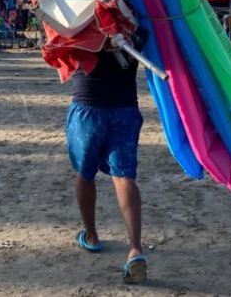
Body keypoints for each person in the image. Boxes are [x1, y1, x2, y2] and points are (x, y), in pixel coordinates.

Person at [67, 35, 148, 284]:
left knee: (85, 173)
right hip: (125, 109)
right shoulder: (134, 17)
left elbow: (59, 51)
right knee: (124, 177)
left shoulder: (75, 16)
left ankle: (91, 236)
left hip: (87, 106)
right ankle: (135, 248)